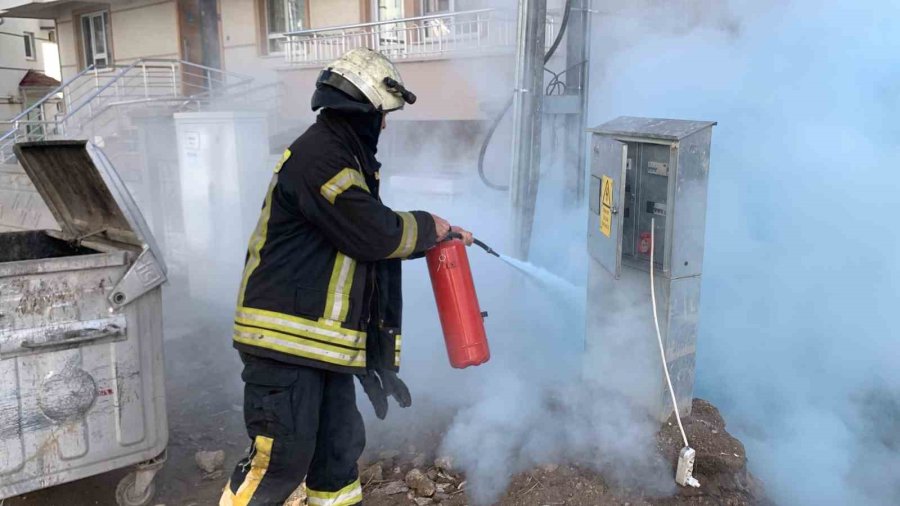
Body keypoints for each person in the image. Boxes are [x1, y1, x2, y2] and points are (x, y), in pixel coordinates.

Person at [219, 48, 473, 506]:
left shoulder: (342, 159)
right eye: (382, 115)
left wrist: (432, 238)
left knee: (337, 457)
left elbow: (364, 233)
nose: (385, 125)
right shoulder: (321, 159)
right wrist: (429, 225)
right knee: (278, 463)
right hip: (286, 345)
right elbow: (372, 233)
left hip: (320, 347)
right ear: (361, 110)